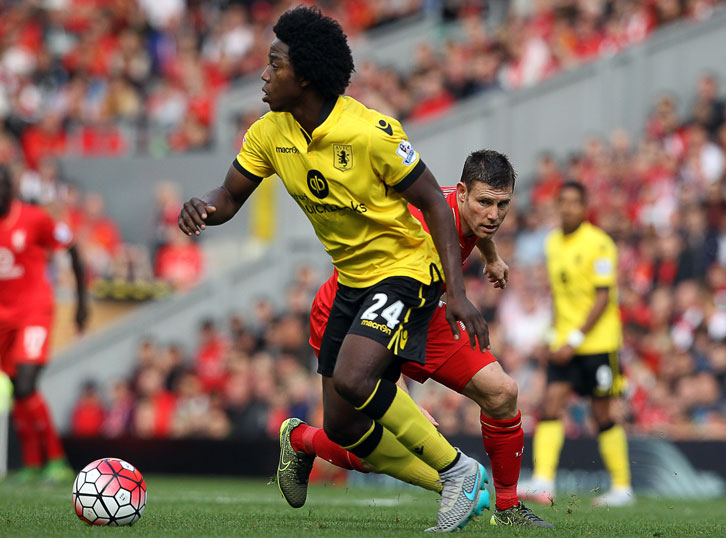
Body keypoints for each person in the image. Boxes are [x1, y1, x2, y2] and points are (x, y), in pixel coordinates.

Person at [178, 6, 489, 532]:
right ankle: (438, 476)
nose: (264, 74)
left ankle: (457, 470)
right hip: (353, 278)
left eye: (274, 65)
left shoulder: (371, 131)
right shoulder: (269, 132)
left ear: (304, 78)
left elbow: (437, 205)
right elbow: (229, 196)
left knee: (353, 376)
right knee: (343, 426)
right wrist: (203, 207)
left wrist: (455, 292)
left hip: (406, 268)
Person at [277, 150, 553, 528]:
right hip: (355, 315)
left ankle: (506, 509)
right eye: (485, 203)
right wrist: (399, 397)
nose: (493, 214)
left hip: (421, 309)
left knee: (502, 391)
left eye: (502, 205)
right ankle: (302, 440)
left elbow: (474, 230)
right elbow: (381, 313)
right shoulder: (422, 225)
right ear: (460, 193)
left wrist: (491, 257)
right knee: (359, 440)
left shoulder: (467, 212)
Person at [518, 181, 633, 507]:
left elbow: (602, 298)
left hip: (597, 343)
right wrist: (551, 334)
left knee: (602, 414)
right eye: (563, 202)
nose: (567, 208)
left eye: (574, 202)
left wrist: (576, 338)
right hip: (564, 342)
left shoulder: (599, 244)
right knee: (550, 405)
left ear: (584, 207)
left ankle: (623, 487)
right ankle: (543, 481)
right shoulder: (553, 243)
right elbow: (559, 296)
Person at [0, 165, 88, 483]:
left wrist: (81, 304)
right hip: (3, 320)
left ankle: (56, 459)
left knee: (25, 384)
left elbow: (74, 250)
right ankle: (33, 463)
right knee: (17, 389)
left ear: (10, 190)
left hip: (33, 312)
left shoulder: (35, 219)